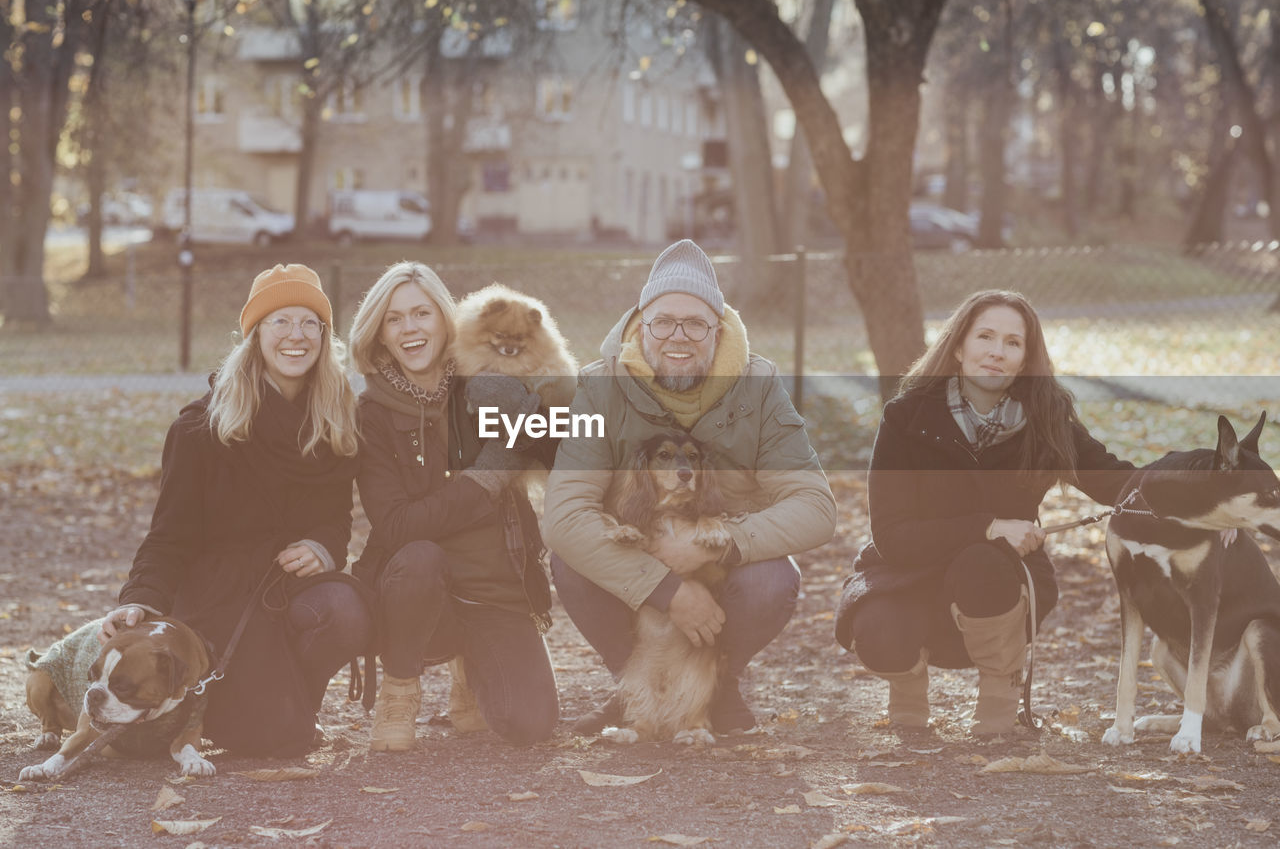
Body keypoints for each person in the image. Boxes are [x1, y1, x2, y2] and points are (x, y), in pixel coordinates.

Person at [544, 239, 837, 733]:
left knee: (773, 581)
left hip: (722, 568)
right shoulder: (599, 388)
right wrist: (666, 586)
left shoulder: (758, 386)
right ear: (641, 326)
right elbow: (565, 517)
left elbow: (815, 507)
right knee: (570, 561)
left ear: (717, 331)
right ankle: (631, 687)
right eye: (663, 321)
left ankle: (718, 686)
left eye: (696, 323)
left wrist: (716, 546)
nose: (678, 336)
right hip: (635, 559)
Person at [835, 289, 1134, 736]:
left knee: (981, 563)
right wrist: (990, 526)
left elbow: (1116, 481)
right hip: (908, 577)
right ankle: (908, 689)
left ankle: (1000, 688)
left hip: (1000, 590)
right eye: (986, 337)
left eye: (1013, 343)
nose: (997, 352)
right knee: (877, 627)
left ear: (1025, 359)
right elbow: (891, 536)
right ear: (958, 347)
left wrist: (1200, 483)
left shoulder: (1046, 419)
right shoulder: (906, 417)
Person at [104, 263, 372, 756]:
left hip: (285, 589)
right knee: (266, 739)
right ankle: (254, 710)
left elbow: (335, 519)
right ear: (254, 335)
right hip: (217, 599)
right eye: (280, 321)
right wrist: (139, 598)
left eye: (310, 322)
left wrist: (323, 546)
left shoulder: (335, 421)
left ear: (324, 335)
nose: (297, 335)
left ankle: (292, 705)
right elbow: (169, 536)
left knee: (346, 611)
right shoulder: (200, 429)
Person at [347, 261, 558, 750]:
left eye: (422, 313)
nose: (410, 328)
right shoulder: (371, 415)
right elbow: (397, 526)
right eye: (394, 319)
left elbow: (556, 448)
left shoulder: (488, 383)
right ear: (380, 334)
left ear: (446, 320)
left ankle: (473, 669)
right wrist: (487, 476)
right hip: (417, 590)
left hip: (493, 586)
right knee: (420, 556)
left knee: (532, 724)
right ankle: (401, 687)